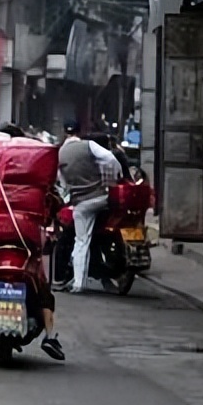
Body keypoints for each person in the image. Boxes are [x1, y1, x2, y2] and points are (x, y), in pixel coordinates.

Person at [57, 121, 123, 293]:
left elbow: (61, 182)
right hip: (100, 197)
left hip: (80, 202)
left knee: (81, 241)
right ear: (80, 132)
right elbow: (110, 158)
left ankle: (79, 282)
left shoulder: (59, 153)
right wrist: (117, 173)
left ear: (65, 133)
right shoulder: (88, 145)